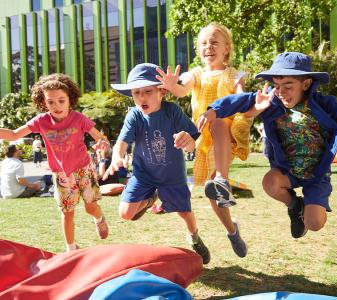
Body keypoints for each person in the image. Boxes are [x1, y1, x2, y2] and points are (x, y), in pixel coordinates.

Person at [197, 51, 337, 238]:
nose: (281, 92)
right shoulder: (272, 101)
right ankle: (294, 205)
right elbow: (240, 100)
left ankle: (308, 213)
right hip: (287, 171)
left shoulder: (323, 104)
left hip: (315, 174)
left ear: (306, 83)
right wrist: (213, 111)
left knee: (314, 223)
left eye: (288, 86)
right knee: (269, 182)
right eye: (277, 86)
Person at [156, 22, 250, 257]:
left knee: (218, 121)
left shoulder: (234, 75)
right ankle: (232, 230)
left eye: (214, 42)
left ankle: (222, 178)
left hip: (228, 133)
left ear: (226, 48)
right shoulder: (196, 74)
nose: (208, 46)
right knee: (214, 196)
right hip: (205, 138)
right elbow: (181, 91)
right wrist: (171, 86)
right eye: (204, 43)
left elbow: (242, 100)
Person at [105, 63, 211, 264]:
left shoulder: (172, 111)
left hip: (172, 176)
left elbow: (191, 144)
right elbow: (122, 141)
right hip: (144, 174)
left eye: (147, 91)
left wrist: (187, 140)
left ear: (161, 91)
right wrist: (117, 156)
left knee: (185, 213)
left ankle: (194, 238)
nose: (141, 97)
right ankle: (150, 199)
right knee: (126, 214)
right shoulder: (134, 115)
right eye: (136, 93)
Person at [0, 73, 110, 251]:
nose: (56, 106)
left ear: (70, 99)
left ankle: (99, 219)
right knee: (67, 214)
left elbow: (100, 138)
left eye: (61, 100)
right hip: (61, 174)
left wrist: (102, 144)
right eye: (51, 102)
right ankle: (71, 249)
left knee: (91, 208)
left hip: (83, 169)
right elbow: (13, 135)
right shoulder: (41, 121)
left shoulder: (79, 119)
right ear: (43, 102)